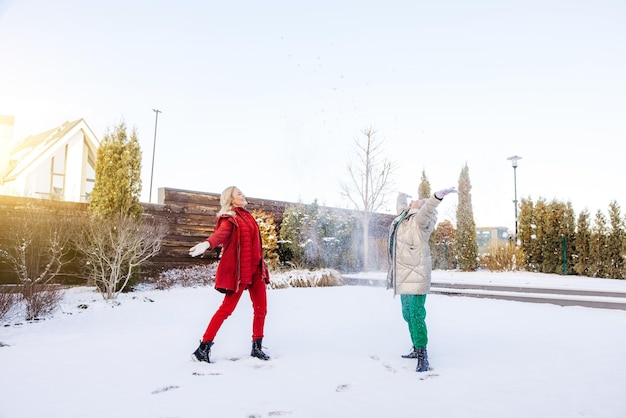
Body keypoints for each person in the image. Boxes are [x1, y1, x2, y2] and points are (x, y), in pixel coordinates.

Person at [189, 186, 271, 363]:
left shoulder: (247, 216)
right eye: (239, 193)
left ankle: (257, 347)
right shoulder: (230, 218)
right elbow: (221, 234)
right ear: (231, 200)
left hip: (256, 271)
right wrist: (207, 244)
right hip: (240, 274)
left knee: (261, 310)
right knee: (226, 310)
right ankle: (203, 348)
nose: (243, 194)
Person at [387, 187, 457, 372]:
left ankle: (422, 354)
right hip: (403, 276)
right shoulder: (405, 216)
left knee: (416, 315)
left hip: (416, 275)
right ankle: (415, 347)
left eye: (422, 200)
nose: (419, 200)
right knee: (407, 314)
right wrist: (401, 195)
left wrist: (437, 197)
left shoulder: (419, 220)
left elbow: (427, 208)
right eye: (418, 200)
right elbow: (401, 206)